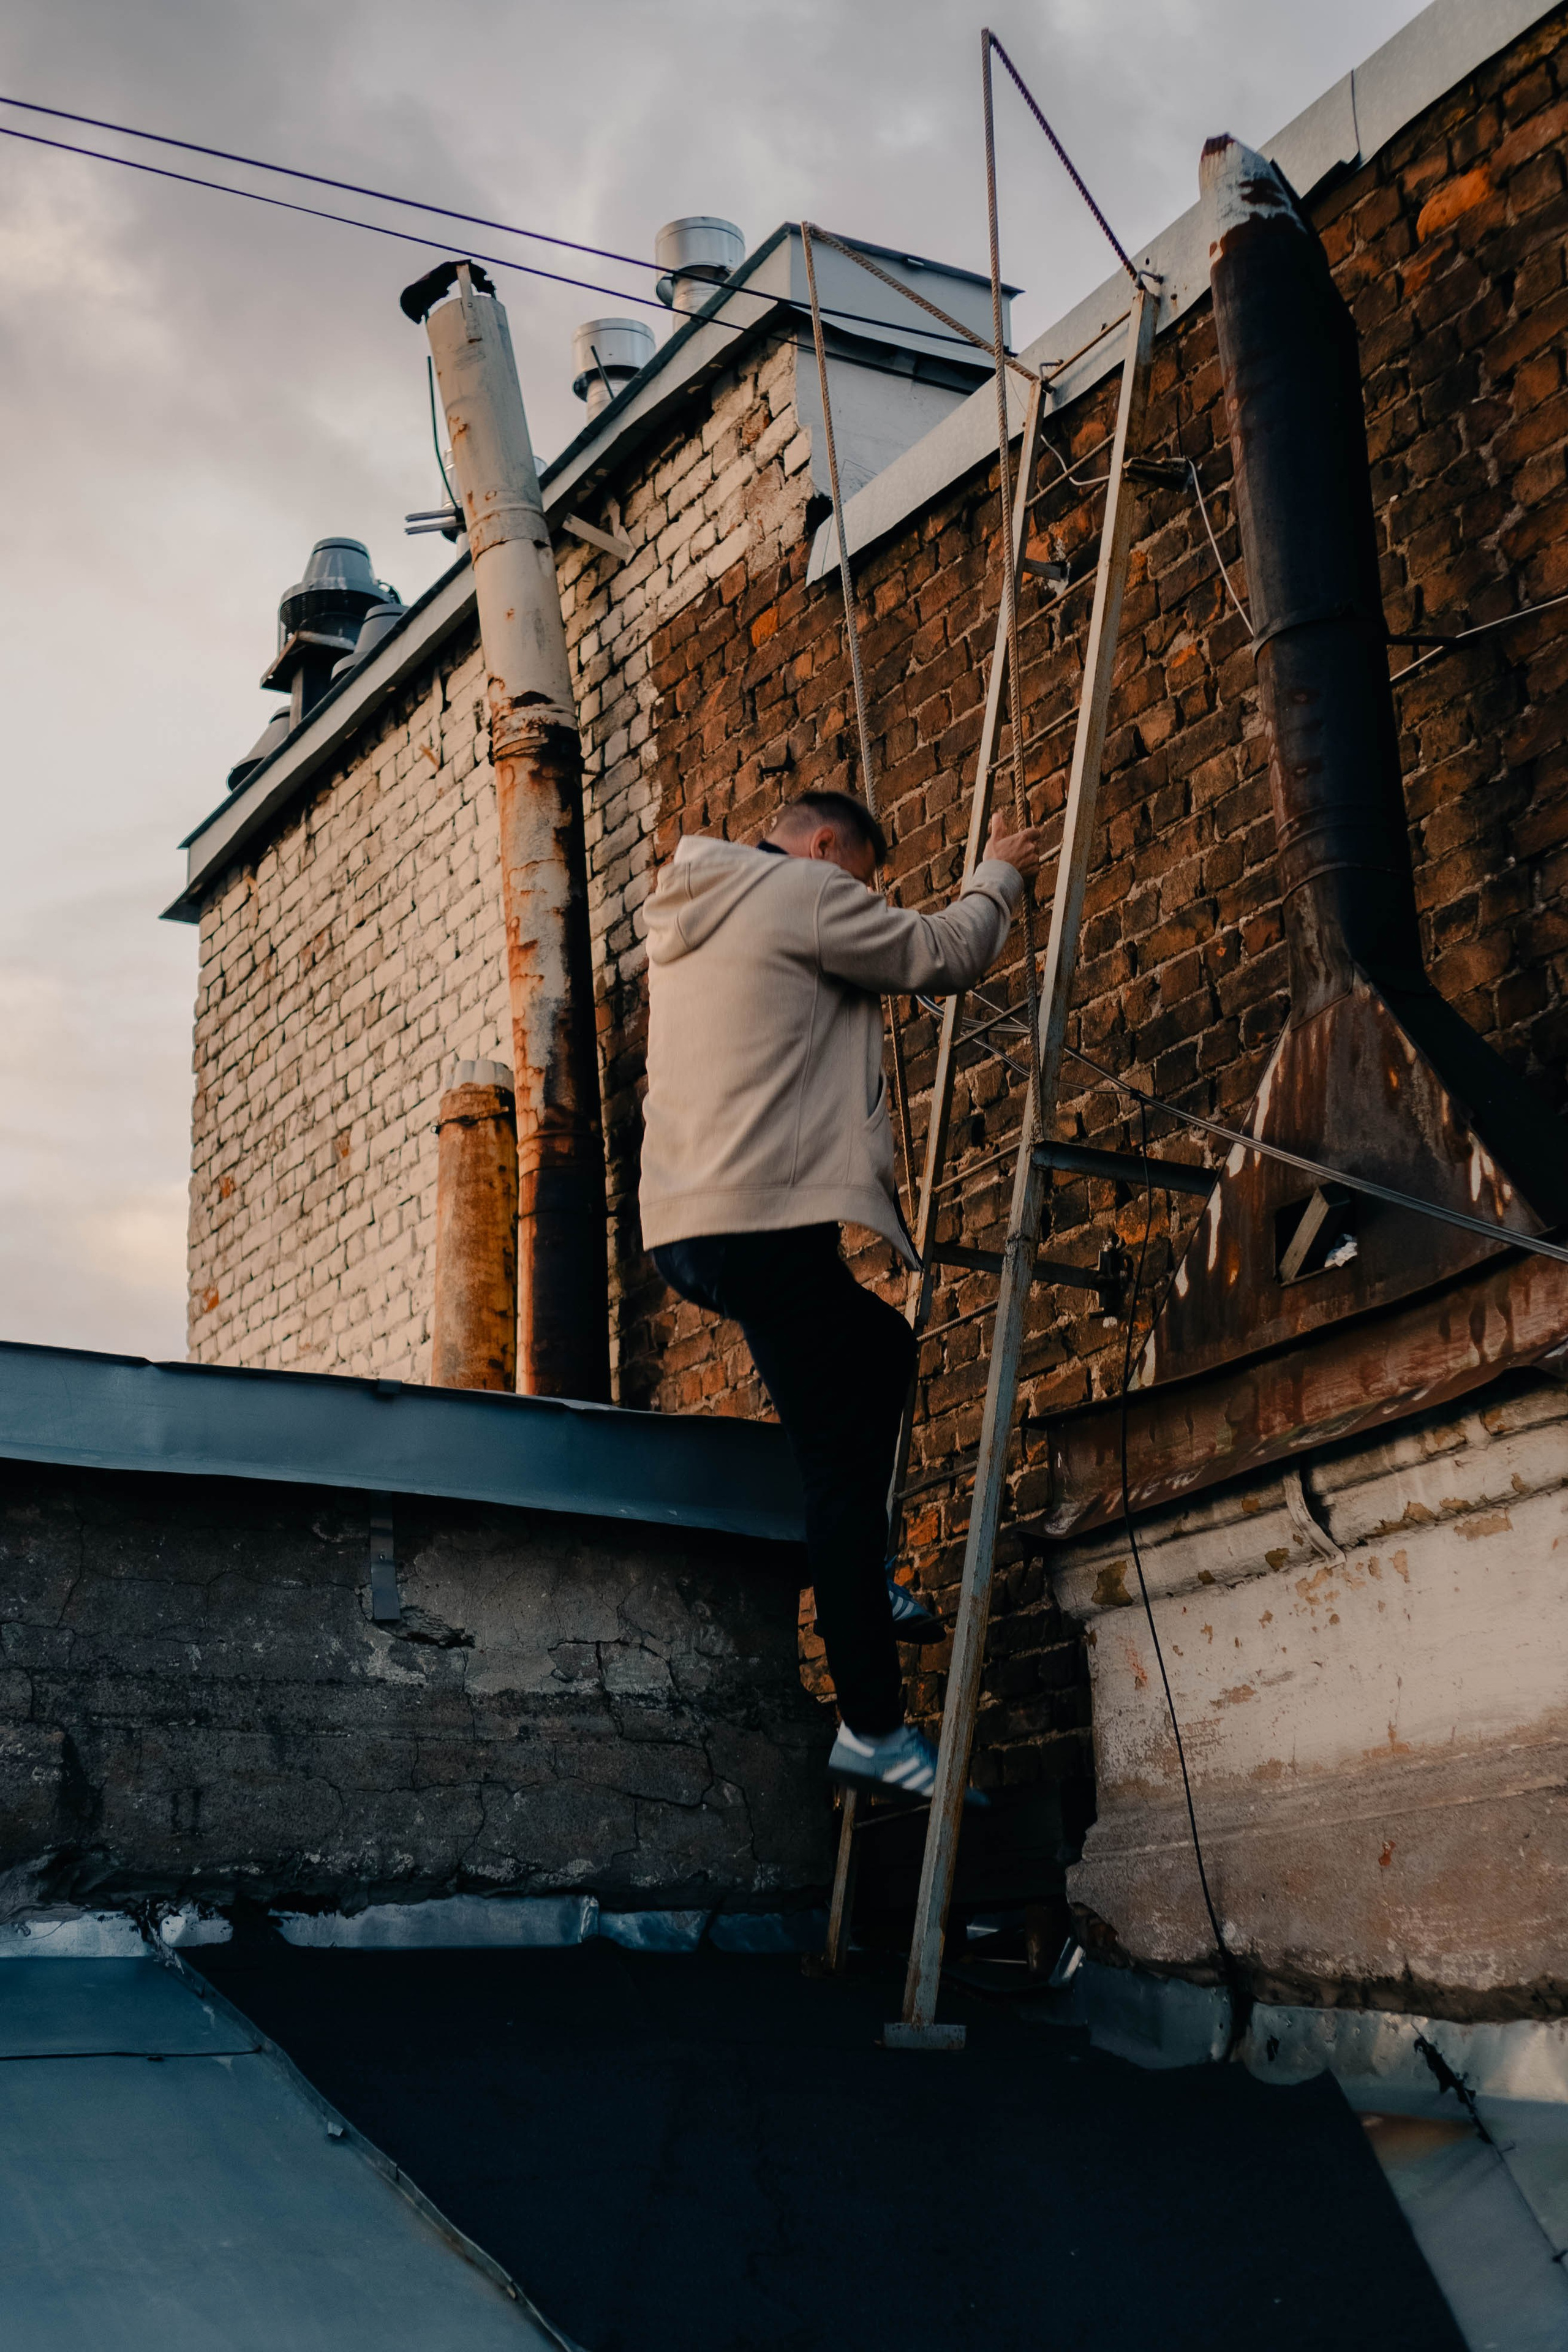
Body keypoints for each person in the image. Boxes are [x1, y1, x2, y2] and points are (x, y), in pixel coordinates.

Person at [639, 788, 1041, 1801]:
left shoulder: (695, 906)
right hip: (759, 1224)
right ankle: (870, 1723)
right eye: (862, 878)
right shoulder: (801, 889)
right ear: (827, 847)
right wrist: (1002, 866)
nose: (860, 898)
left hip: (693, 1227)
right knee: (836, 1464)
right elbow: (945, 955)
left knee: (878, 1350)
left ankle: (855, 1575)